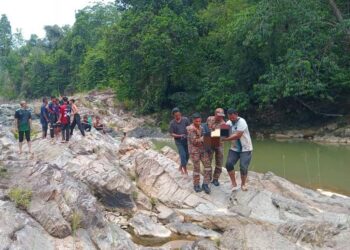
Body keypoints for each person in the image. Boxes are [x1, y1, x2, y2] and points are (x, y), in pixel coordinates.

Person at [222, 108, 253, 191]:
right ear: (228, 116)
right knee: (228, 164)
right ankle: (234, 183)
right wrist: (212, 136)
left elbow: (237, 135)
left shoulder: (242, 121)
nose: (231, 119)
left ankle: (243, 184)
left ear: (236, 114)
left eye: (233, 117)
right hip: (234, 148)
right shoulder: (228, 123)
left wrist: (225, 139)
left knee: (243, 167)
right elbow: (223, 134)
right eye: (230, 117)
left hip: (246, 148)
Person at [187, 113, 212, 194]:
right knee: (196, 168)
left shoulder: (201, 127)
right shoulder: (191, 129)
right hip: (194, 151)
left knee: (208, 166)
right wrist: (203, 138)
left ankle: (205, 184)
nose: (198, 122)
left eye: (199, 120)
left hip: (202, 149)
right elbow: (194, 141)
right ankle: (196, 184)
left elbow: (205, 138)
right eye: (196, 120)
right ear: (193, 120)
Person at [206, 108, 226, 186]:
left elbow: (224, 137)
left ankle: (215, 179)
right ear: (215, 114)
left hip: (219, 144)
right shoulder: (209, 119)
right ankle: (208, 178)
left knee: (219, 162)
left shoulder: (224, 124)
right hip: (208, 142)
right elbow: (206, 129)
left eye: (222, 116)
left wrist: (212, 134)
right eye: (219, 116)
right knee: (208, 161)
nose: (221, 117)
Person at [169, 107, 190, 175]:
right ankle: (185, 170)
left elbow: (189, 128)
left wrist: (188, 133)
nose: (178, 116)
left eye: (179, 115)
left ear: (180, 113)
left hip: (186, 140)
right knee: (183, 155)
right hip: (179, 141)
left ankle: (181, 166)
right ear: (173, 116)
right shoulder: (172, 123)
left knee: (187, 155)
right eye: (176, 115)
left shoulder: (185, 119)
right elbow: (172, 133)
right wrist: (180, 136)